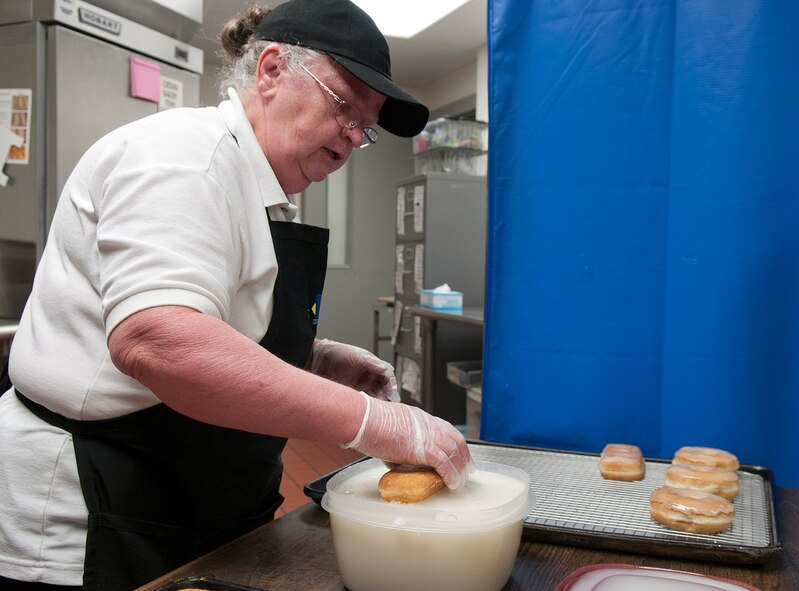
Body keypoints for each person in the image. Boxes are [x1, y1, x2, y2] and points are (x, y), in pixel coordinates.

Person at [0, 0, 472, 588]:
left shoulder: (259, 190)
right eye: (345, 106)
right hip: (99, 512)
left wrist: (314, 357)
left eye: (365, 127)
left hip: (192, 499)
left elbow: (211, 316)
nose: (352, 137)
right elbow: (162, 342)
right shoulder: (185, 158)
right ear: (272, 69)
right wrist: (379, 423)